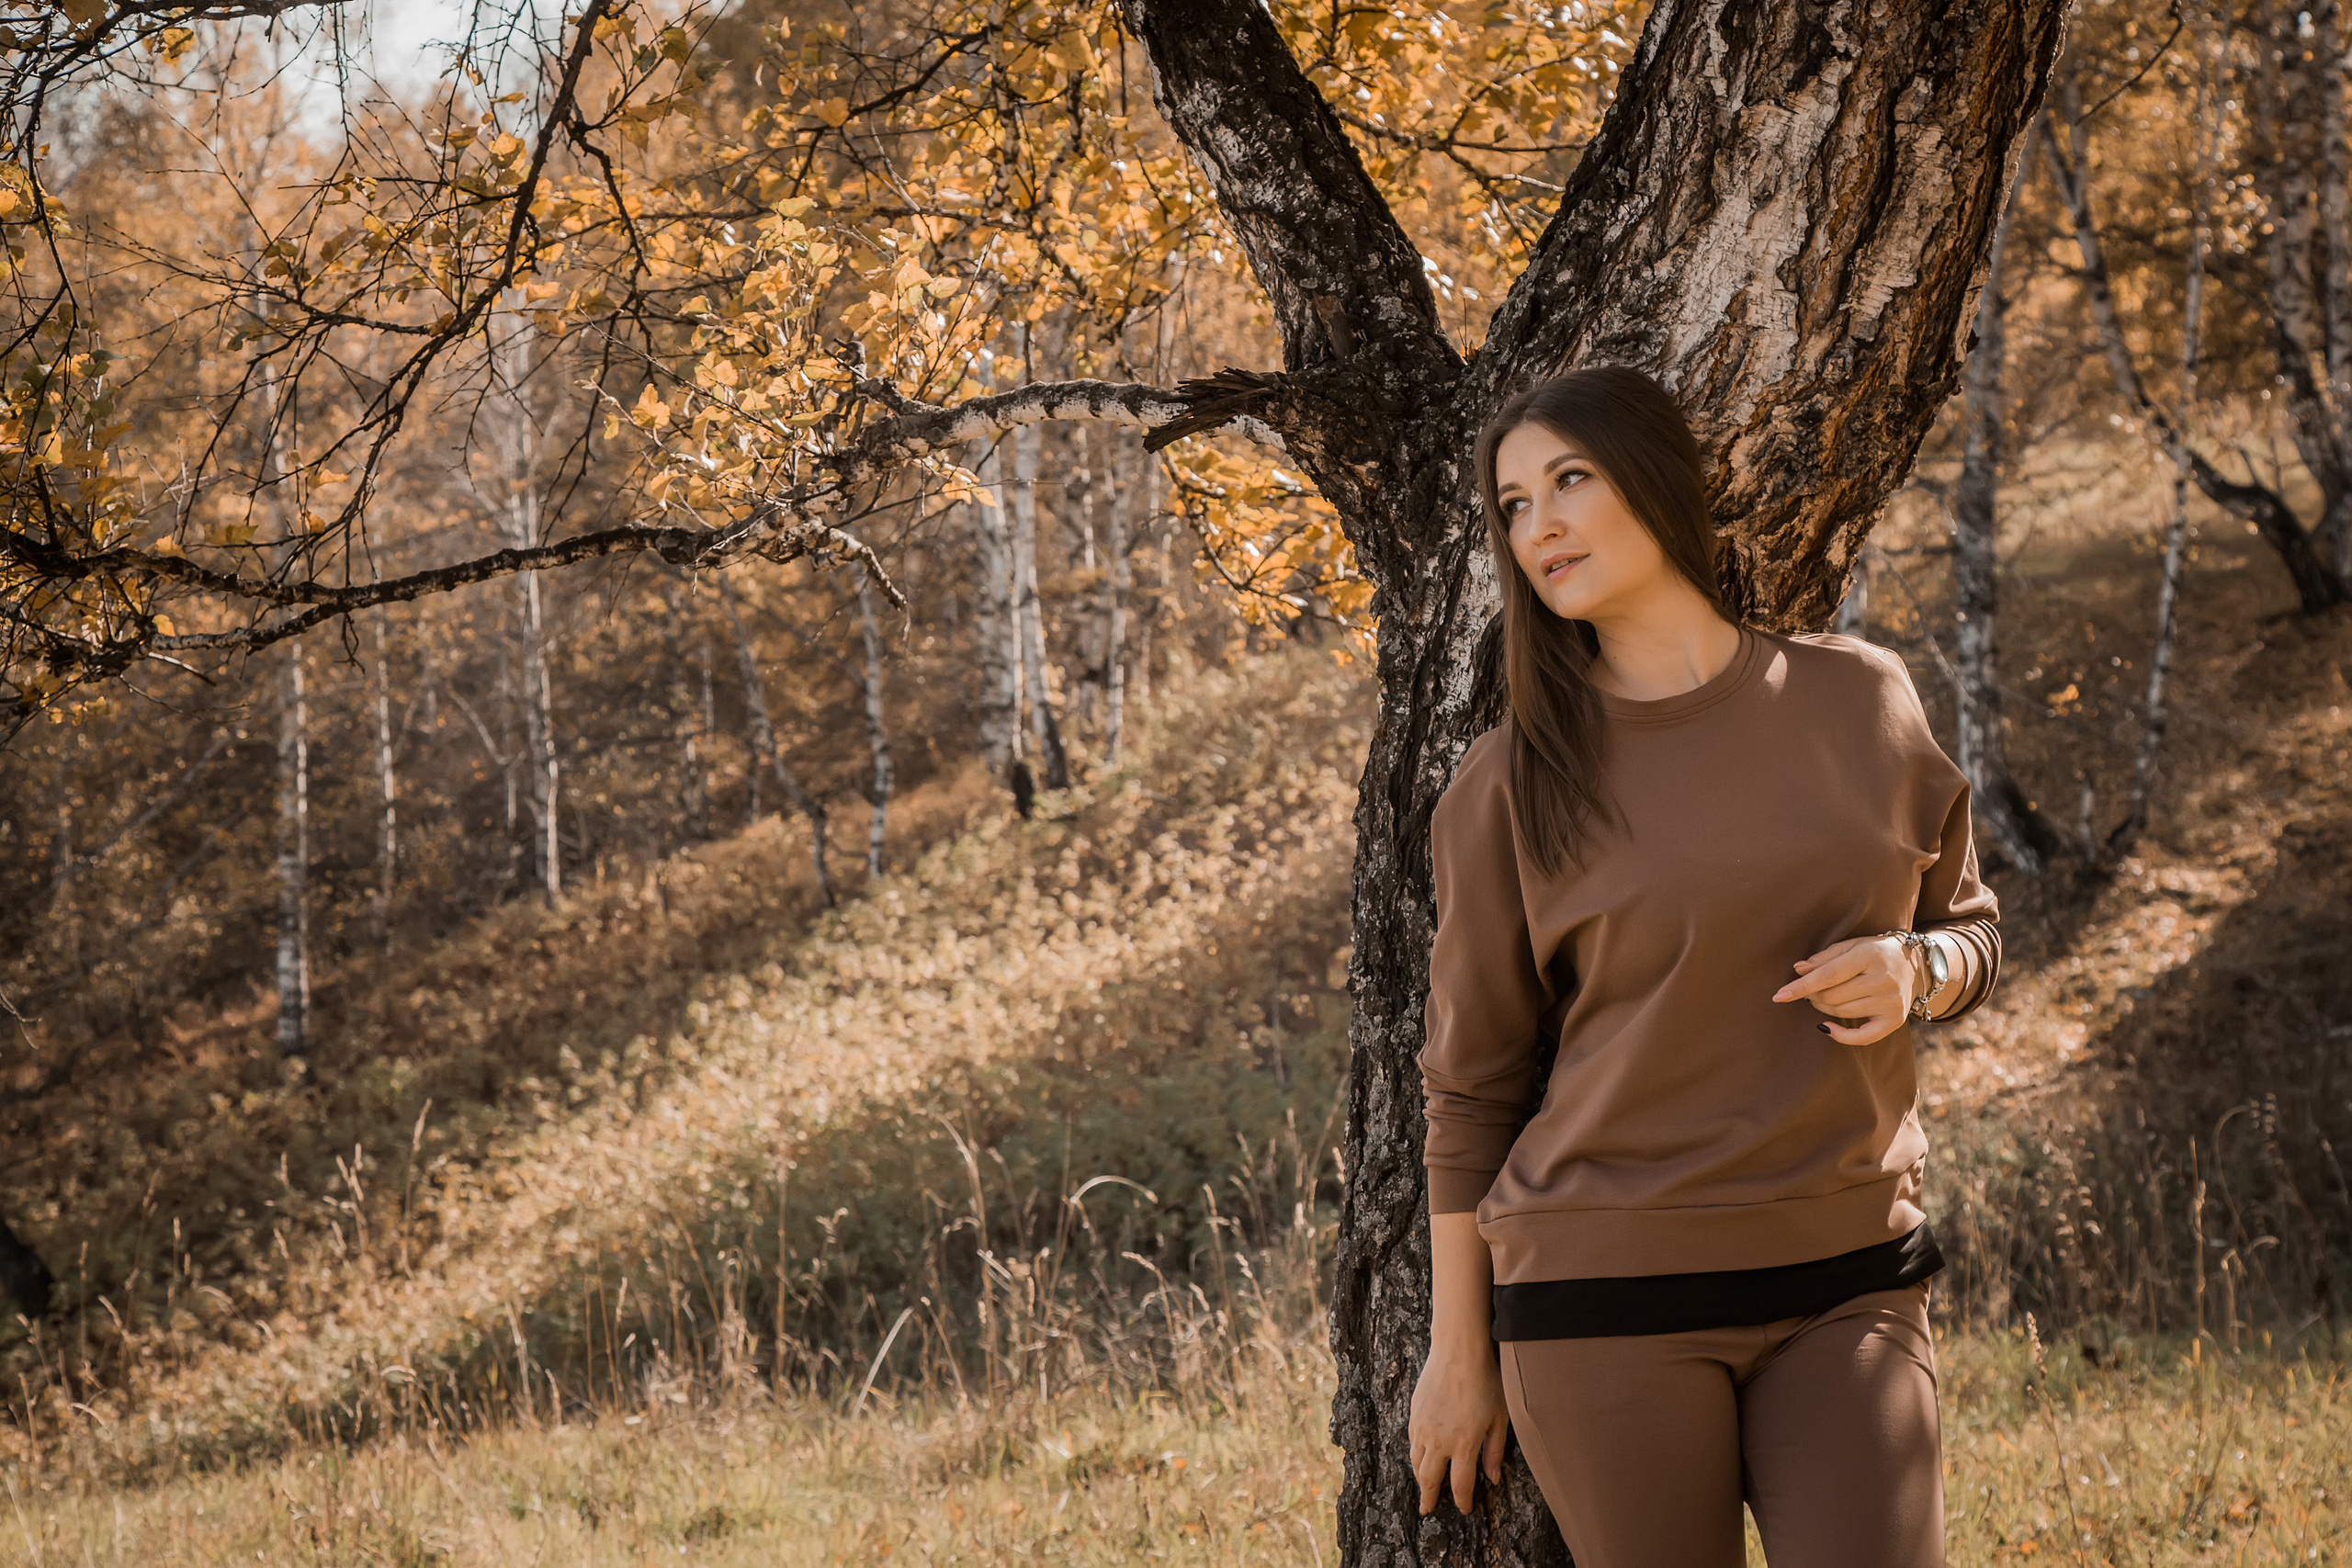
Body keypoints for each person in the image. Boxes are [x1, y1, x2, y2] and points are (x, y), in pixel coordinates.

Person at [1406, 366, 2002, 1568]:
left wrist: (1918, 969)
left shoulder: (1861, 700)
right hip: (1604, 1303)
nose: (1543, 526)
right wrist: (1458, 1357)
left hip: (1853, 1277)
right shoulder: (1508, 786)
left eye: (1570, 480)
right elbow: (1470, 1096)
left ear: (1661, 483)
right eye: (1514, 505)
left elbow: (1972, 928)